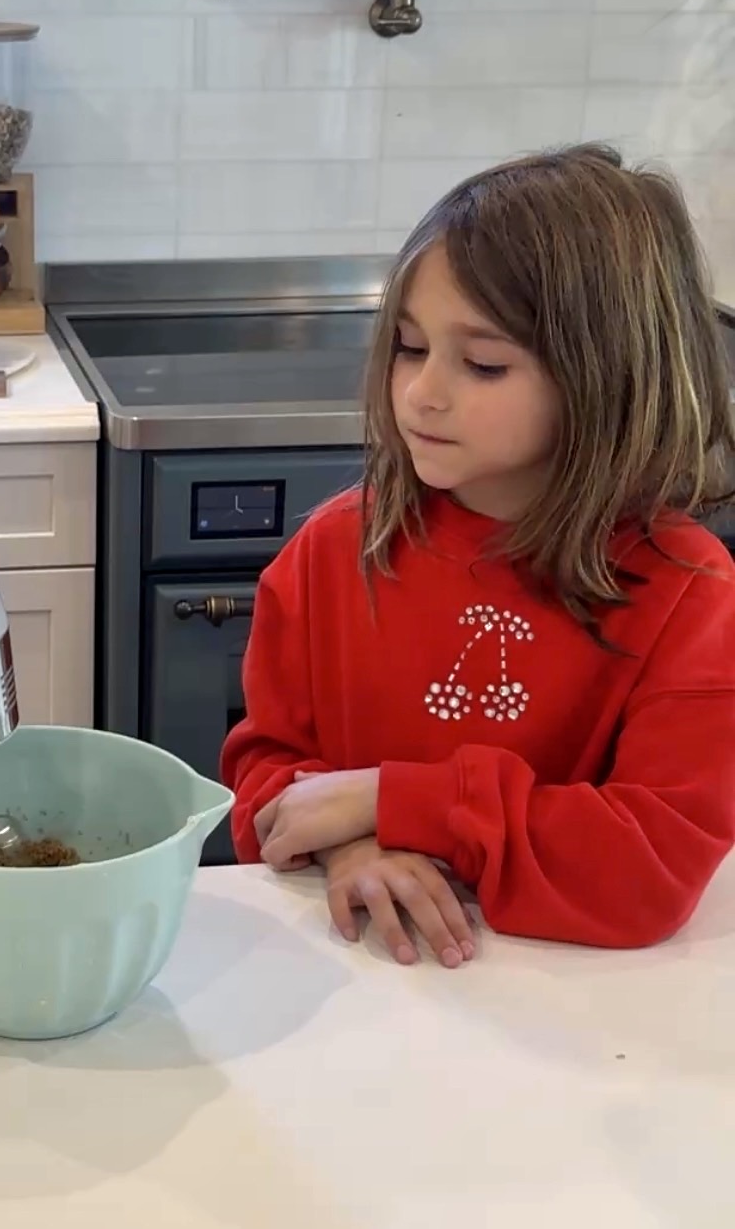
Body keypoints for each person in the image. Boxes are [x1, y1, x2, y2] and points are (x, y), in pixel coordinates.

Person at [222, 144, 735, 963]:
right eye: (411, 347)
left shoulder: (687, 591)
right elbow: (268, 767)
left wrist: (393, 799)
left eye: (484, 363)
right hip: (356, 974)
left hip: (571, 1013)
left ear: (606, 378)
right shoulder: (331, 551)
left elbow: (650, 864)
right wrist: (348, 849)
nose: (423, 391)